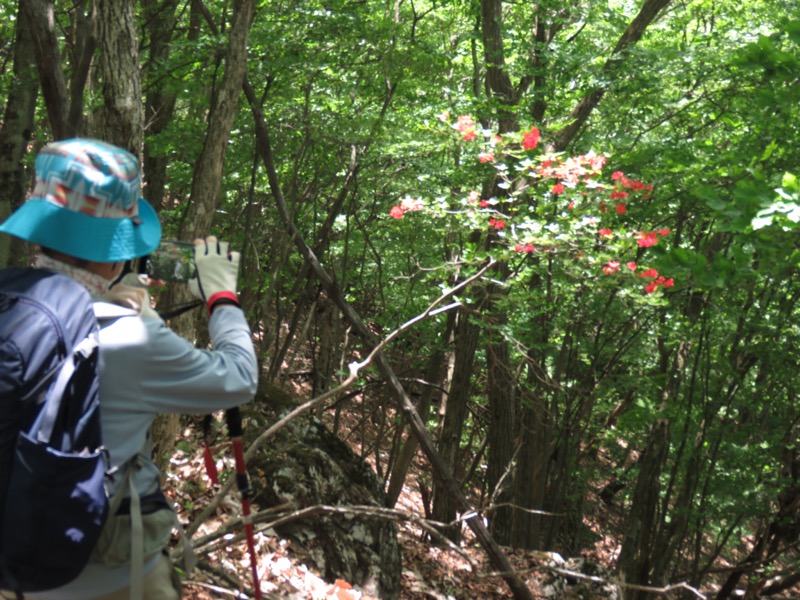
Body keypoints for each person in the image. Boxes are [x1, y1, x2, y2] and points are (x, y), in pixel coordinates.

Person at [0, 139, 259, 599]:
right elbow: (239, 378)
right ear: (116, 249)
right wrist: (221, 296)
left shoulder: (10, 303)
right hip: (102, 576)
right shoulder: (132, 338)